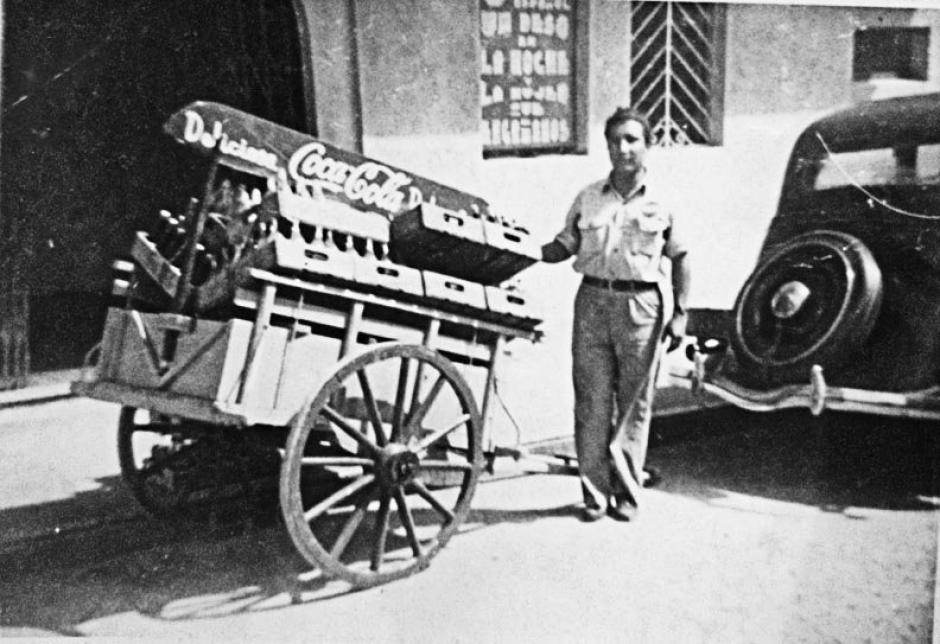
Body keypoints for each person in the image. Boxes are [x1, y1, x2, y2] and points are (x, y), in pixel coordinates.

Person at [541, 106, 690, 522]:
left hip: (641, 306)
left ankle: (627, 492)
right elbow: (564, 245)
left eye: (631, 140)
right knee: (590, 401)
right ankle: (594, 494)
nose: (622, 149)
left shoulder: (664, 201)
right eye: (614, 141)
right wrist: (518, 249)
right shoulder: (588, 196)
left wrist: (680, 314)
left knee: (633, 404)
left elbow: (681, 258)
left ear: (647, 145)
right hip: (591, 302)